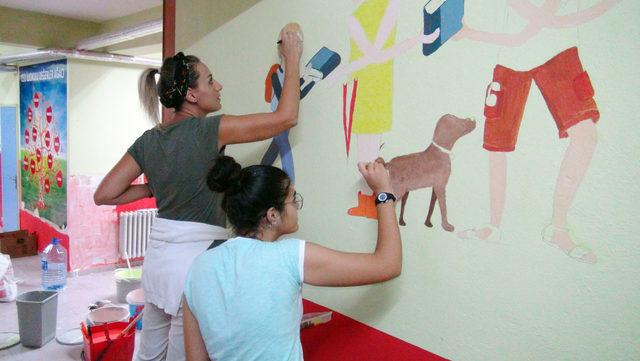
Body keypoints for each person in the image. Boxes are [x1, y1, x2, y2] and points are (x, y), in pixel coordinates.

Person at [93, 28, 303, 361]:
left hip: (159, 263)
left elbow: (104, 194)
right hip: (193, 264)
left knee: (148, 356)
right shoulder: (208, 130)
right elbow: (286, 118)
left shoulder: (150, 139)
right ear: (191, 94)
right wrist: (292, 59)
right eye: (209, 80)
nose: (217, 86)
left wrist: (153, 185)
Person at [183, 156, 402, 360]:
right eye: (292, 198)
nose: (297, 205)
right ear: (272, 215)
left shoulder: (198, 267)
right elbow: (387, 264)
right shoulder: (288, 256)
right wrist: (383, 192)